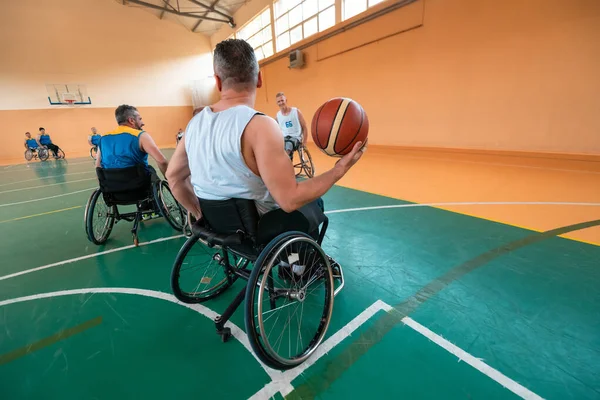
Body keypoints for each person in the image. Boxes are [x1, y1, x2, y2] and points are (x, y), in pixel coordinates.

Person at [166, 38, 364, 242]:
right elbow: (290, 199)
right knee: (315, 203)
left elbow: (173, 178)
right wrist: (339, 169)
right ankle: (297, 266)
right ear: (259, 79)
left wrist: (200, 214)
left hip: (217, 226)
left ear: (217, 81)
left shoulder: (194, 125)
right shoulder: (260, 126)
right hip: (259, 229)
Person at [95, 104, 169, 184]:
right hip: (138, 185)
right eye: (140, 119)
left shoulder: (103, 139)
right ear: (131, 120)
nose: (143, 123)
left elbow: (98, 166)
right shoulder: (140, 135)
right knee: (151, 170)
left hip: (112, 186)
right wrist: (168, 177)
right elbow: (162, 161)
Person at [275, 92, 308, 160]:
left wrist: (304, 142)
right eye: (279, 101)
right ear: (277, 103)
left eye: (282, 100)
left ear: (286, 100)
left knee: (288, 145)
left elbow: (304, 127)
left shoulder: (296, 112)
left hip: (296, 137)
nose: (281, 103)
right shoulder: (278, 116)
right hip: (285, 138)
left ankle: (286, 165)